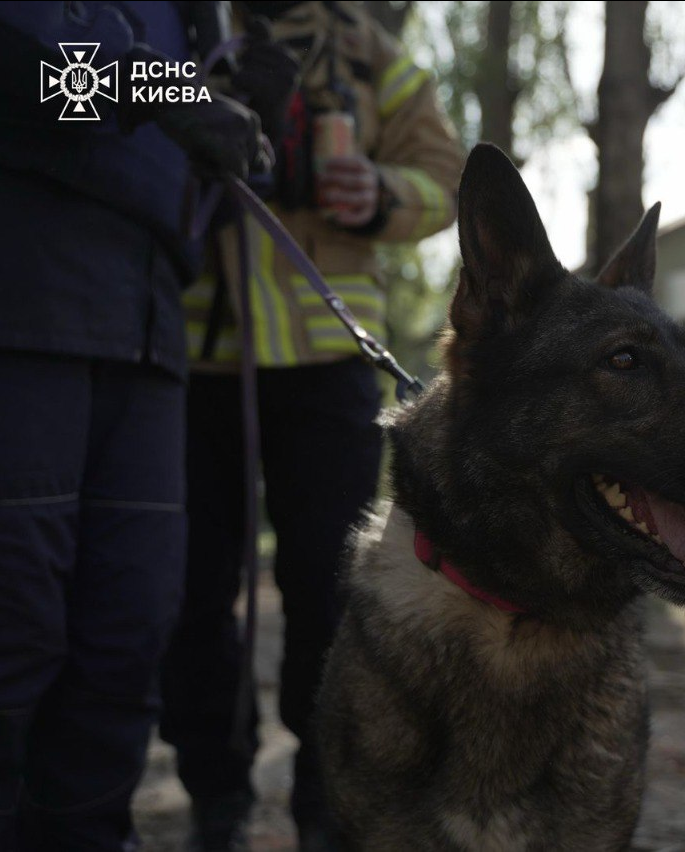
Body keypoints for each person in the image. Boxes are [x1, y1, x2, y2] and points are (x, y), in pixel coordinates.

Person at [158, 3, 464, 849]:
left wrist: (380, 194)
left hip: (329, 366)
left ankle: (325, 806)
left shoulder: (368, 53)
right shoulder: (185, 29)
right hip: (190, 362)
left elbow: (445, 175)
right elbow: (92, 94)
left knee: (328, 594)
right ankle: (214, 798)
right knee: (189, 595)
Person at [0, 2, 268, 849]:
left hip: (152, 324)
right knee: (14, 630)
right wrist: (163, 88)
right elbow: (36, 72)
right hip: (25, 283)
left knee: (128, 633)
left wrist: (246, 143)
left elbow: (190, 168)